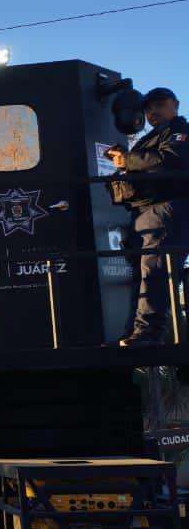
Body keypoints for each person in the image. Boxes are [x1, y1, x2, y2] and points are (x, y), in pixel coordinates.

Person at [106, 88, 189, 346]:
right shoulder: (150, 139)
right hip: (144, 212)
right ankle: (136, 332)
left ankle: (148, 333)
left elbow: (170, 159)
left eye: (160, 105)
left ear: (175, 105)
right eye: (148, 108)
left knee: (154, 271)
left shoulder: (179, 132)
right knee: (143, 274)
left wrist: (128, 160)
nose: (153, 111)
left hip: (166, 210)